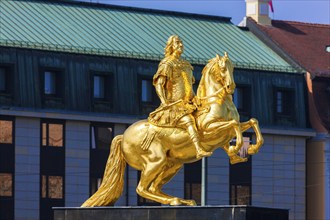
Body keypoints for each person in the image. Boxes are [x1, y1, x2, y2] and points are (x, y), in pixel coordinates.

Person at [148, 35, 212, 159]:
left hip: (190, 103)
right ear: (171, 46)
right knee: (189, 121)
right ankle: (198, 149)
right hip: (174, 105)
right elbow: (159, 84)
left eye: (181, 43)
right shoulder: (167, 63)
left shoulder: (186, 65)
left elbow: (189, 85)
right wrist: (164, 101)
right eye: (177, 43)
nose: (181, 45)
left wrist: (196, 99)